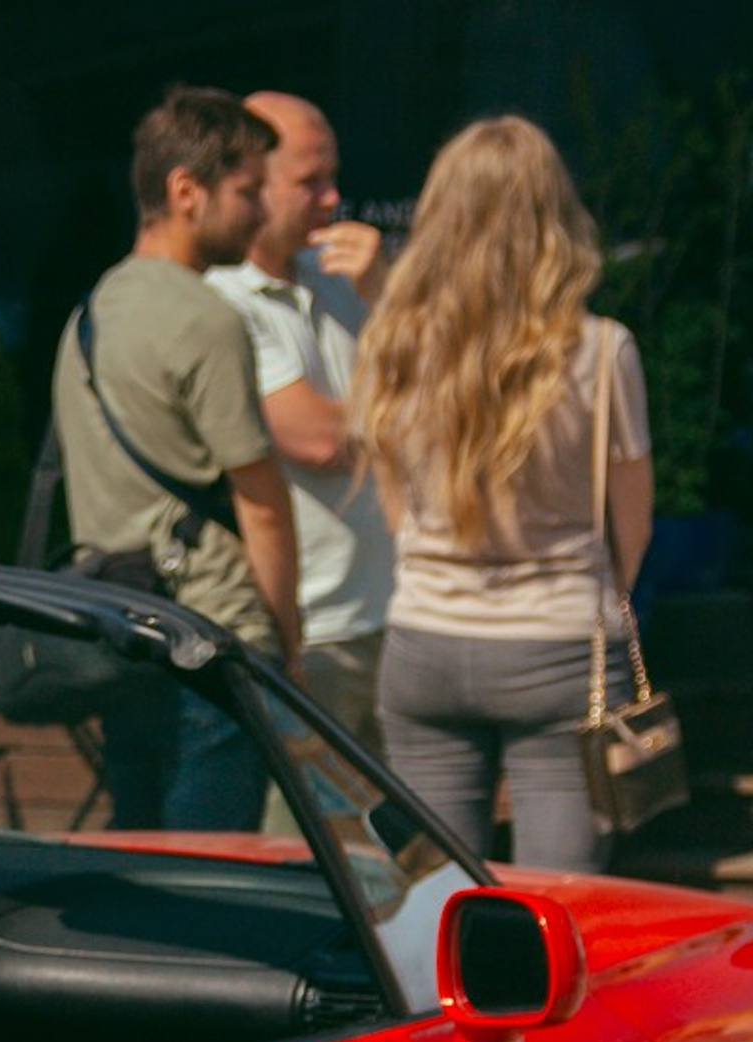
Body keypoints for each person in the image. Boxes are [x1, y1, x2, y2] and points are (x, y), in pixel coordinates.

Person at [353, 116, 651, 871]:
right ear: (554, 216)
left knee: (433, 900)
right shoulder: (601, 348)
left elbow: (394, 508)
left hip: (424, 640)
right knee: (563, 906)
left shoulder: (391, 341)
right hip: (559, 648)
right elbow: (631, 526)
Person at [50, 87, 301, 828]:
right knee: (211, 882)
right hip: (211, 634)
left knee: (143, 865)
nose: (261, 211)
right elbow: (263, 505)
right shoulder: (207, 320)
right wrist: (287, 643)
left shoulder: (88, 315)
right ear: (186, 192)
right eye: (248, 190)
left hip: (122, 630)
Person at [206, 91, 395, 753]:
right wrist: (411, 410)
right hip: (314, 629)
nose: (331, 199)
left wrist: (384, 294)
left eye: (334, 177)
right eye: (308, 181)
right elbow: (317, 437)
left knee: (419, 850)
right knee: (323, 844)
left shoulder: (344, 278)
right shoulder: (224, 300)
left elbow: (446, 390)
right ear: (251, 183)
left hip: (396, 611)